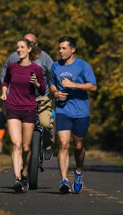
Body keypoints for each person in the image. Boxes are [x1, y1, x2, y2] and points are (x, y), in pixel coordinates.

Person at [49, 36, 97, 194]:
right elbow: (52, 84)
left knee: (78, 145)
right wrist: (55, 93)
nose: (60, 51)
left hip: (81, 111)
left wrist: (74, 85)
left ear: (73, 49)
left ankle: (78, 172)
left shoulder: (83, 65)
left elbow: (93, 86)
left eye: (64, 48)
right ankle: (64, 180)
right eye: (59, 48)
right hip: (63, 110)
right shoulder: (55, 66)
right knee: (63, 144)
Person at [1, 38, 46, 193]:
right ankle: (17, 178)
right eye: (17, 47)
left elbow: (42, 90)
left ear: (29, 50)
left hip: (29, 109)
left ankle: (25, 173)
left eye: (21, 47)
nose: (19, 50)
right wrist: (4, 93)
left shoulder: (36, 69)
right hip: (12, 107)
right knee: (17, 145)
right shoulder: (12, 67)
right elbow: (5, 82)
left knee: (26, 148)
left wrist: (37, 83)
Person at [0, 33, 55, 160]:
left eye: (31, 43)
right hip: (21, 100)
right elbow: (4, 73)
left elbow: (54, 72)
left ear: (35, 45)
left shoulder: (44, 57)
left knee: (45, 123)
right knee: (20, 139)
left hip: (41, 97)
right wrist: (8, 92)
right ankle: (21, 163)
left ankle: (48, 145)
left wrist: (54, 90)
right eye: (26, 42)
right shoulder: (15, 56)